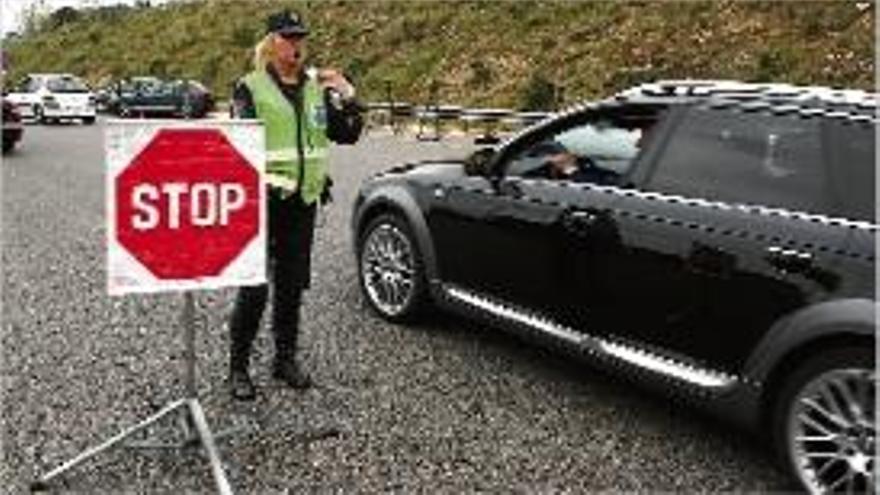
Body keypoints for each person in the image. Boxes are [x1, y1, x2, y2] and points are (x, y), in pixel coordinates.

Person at [227, 9, 363, 401]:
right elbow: (238, 146)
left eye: (300, 37)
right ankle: (238, 367)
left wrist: (348, 94)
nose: (296, 44)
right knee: (254, 289)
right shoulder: (249, 87)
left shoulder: (317, 88)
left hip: (303, 203)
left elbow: (347, 134)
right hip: (262, 202)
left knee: (291, 286)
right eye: (288, 38)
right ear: (271, 43)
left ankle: (284, 358)